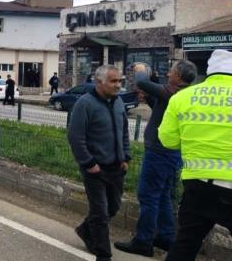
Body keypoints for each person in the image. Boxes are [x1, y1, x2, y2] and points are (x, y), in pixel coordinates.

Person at [114, 60, 197, 257]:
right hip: (172, 153)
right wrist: (150, 98)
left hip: (159, 153)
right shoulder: (183, 95)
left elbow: (142, 83)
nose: (168, 73)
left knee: (148, 195)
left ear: (178, 77)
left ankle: (143, 241)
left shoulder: (173, 92)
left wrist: (141, 70)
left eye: (172, 71)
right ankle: (166, 237)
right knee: (163, 196)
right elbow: (160, 105)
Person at [158, 49, 232, 261]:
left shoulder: (183, 97)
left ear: (209, 70)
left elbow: (168, 140)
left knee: (185, 245)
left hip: (198, 186)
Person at [67, 65, 131, 261]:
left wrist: (125, 157)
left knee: (112, 208)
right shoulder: (84, 104)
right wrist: (88, 163)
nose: (118, 85)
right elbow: (75, 137)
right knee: (101, 213)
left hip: (116, 167)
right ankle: (103, 255)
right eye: (113, 81)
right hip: (95, 169)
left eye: (120, 81)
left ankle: (86, 230)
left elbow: (124, 132)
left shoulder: (119, 102)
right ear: (99, 82)